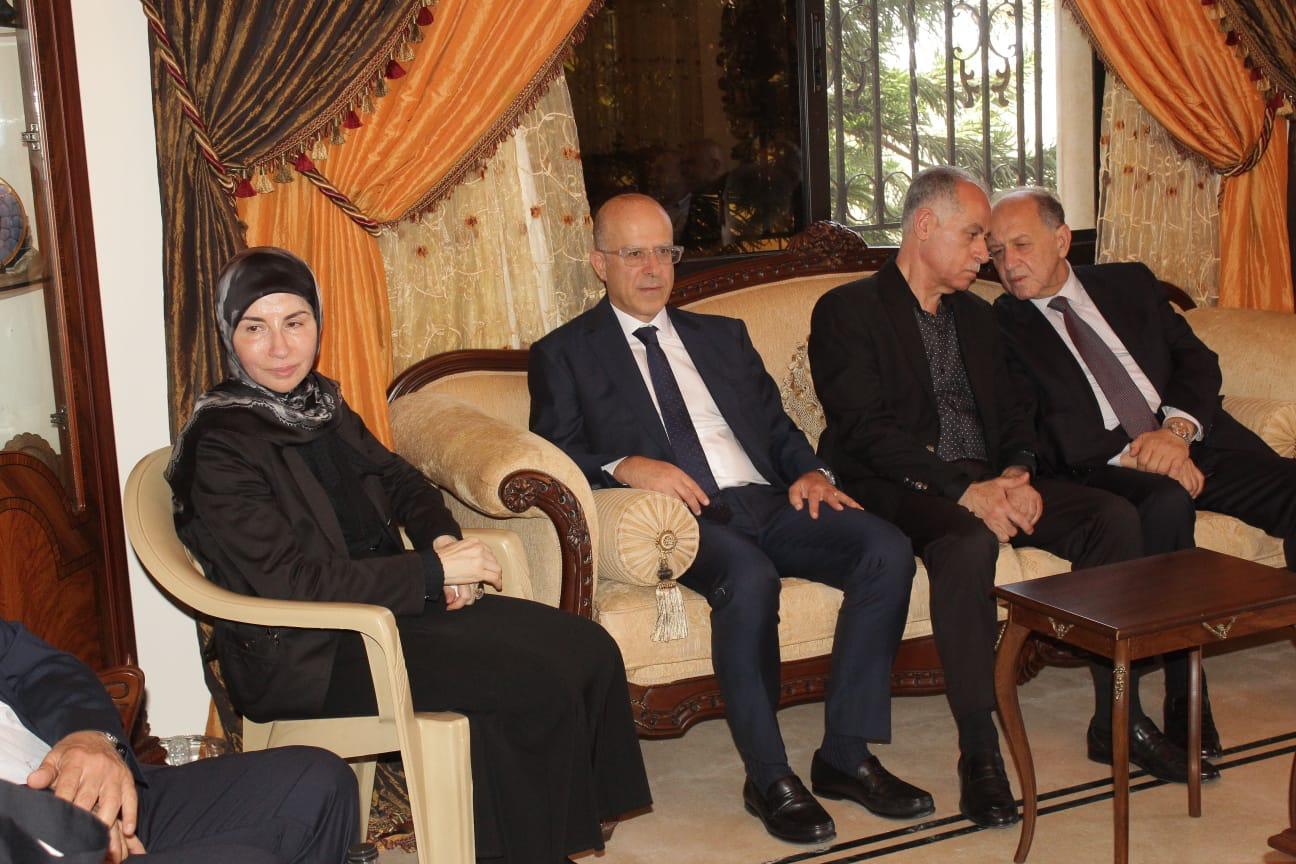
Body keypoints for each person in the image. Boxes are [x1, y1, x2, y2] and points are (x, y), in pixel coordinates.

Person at [166, 247, 651, 864]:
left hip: (383, 608)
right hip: (310, 650)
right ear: (229, 337)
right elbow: (290, 581)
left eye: (295, 322)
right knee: (529, 680)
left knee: (585, 645)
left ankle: (562, 833)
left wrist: (440, 540)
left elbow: (401, 482)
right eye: (255, 328)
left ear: (317, 323)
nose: (280, 347)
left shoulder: (318, 405)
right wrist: (430, 573)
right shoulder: (220, 444)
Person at [808, 166, 1217, 828]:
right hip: (900, 485)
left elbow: (1017, 413)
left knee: (1112, 517)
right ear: (924, 226)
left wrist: (1020, 474)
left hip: (987, 479)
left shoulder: (979, 315)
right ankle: (980, 752)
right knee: (967, 542)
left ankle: (1119, 718)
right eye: (974, 237)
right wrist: (965, 490)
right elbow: (865, 431)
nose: (985, 254)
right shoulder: (848, 310)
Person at [528, 193, 923, 845]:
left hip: (767, 500)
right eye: (634, 253)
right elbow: (555, 449)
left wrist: (809, 472)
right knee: (748, 575)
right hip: (685, 518)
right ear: (600, 263)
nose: (653, 268)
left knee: (885, 548)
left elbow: (776, 425)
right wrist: (626, 464)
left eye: (664, 252)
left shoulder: (722, 336)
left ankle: (846, 755)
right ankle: (769, 777)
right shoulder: (565, 352)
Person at [991, 185, 1296, 759]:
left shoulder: (1127, 283)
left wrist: (1175, 433)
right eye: (997, 251)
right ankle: (1187, 694)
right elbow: (1040, 426)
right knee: (1163, 501)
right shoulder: (1002, 323)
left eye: (1022, 245)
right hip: (1107, 465)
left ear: (1062, 240)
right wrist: (1141, 451)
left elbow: (1198, 361)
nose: (1009, 263)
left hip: (1192, 439)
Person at [0, 617, 356, 863]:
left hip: (99, 789)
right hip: (29, 838)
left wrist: (89, 737)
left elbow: (40, 669)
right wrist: (62, 822)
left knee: (320, 782)